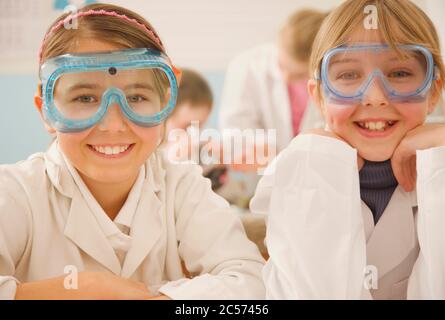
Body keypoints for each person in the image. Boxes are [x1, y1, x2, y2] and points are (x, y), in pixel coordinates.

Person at [0, 3, 265, 300]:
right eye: (85, 97)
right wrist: (85, 288)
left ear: (165, 103)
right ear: (46, 111)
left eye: (136, 97)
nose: (113, 124)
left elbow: (250, 285)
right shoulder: (15, 193)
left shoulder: (182, 188)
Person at [251, 0, 445, 299]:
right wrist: (317, 160)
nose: (375, 97)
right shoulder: (298, 173)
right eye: (348, 75)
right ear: (319, 96)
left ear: (433, 90)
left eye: (400, 74)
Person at [219, 9, 328, 154]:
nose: (286, 78)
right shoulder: (245, 66)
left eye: (299, 75)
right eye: (282, 66)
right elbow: (233, 127)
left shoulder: (329, 77)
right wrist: (263, 147)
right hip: (262, 171)